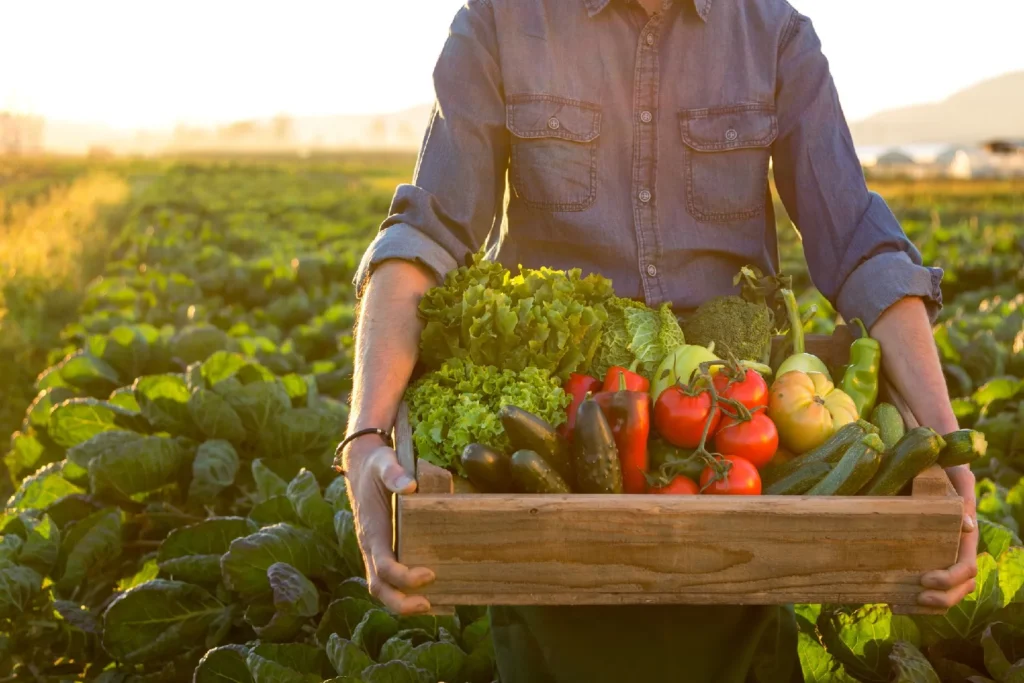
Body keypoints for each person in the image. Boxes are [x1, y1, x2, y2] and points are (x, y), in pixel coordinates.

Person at [337, 0, 979, 680]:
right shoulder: (502, 21)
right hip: (553, 460)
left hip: (733, 452)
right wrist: (365, 436)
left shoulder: (774, 34)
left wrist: (945, 450)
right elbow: (424, 235)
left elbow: (861, 248)